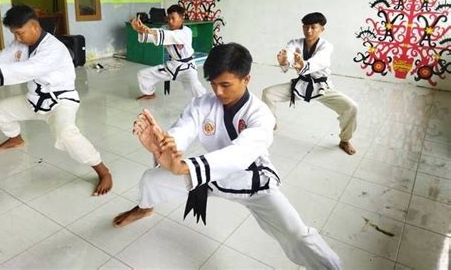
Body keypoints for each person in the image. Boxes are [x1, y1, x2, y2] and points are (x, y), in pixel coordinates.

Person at [113, 43, 342, 269]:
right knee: (150, 179)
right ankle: (145, 207)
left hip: (254, 182)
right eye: (213, 84)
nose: (218, 92)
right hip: (211, 174)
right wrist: (164, 144)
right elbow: (184, 128)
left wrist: (183, 167)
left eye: (225, 84)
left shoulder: (261, 115)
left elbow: (239, 155)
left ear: (246, 80)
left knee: (297, 236)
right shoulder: (203, 103)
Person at [0, 5, 112, 196]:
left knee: (66, 134)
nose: (17, 38)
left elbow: (25, 70)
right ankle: (16, 138)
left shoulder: (53, 49)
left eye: (20, 33)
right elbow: (0, 58)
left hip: (60, 102)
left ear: (34, 26)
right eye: (14, 33)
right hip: (35, 99)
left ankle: (102, 170)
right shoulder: (21, 44)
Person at [262, 12, 358, 155]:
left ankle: (345, 139)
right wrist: (285, 62)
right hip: (301, 84)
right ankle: (271, 123)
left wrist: (304, 64)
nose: (309, 31)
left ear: (322, 29)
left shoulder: (326, 46)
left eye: (313, 27)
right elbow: (288, 54)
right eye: (306, 27)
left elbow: (320, 61)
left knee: (351, 107)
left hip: (321, 87)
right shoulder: (295, 43)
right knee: (268, 93)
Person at [131, 4, 206, 100]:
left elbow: (170, 35)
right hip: (172, 66)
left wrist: (149, 30)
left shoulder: (186, 32)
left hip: (187, 67)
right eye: (168, 18)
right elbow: (156, 34)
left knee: (195, 86)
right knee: (143, 74)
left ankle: (206, 102)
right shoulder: (166, 31)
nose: (170, 21)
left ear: (182, 18)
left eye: (173, 18)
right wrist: (140, 30)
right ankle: (149, 93)